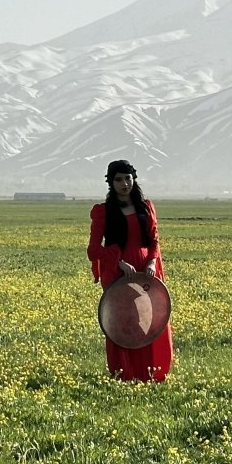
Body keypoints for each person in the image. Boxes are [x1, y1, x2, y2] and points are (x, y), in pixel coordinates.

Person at [85, 159, 173, 382]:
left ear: (134, 179)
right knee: (124, 321)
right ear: (110, 183)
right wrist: (119, 264)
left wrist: (152, 262)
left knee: (149, 319)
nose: (124, 184)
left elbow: (154, 240)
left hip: (146, 271)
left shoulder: (146, 206)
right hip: (118, 274)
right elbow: (94, 248)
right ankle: (126, 372)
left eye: (128, 178)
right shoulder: (103, 212)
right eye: (118, 179)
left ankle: (151, 371)